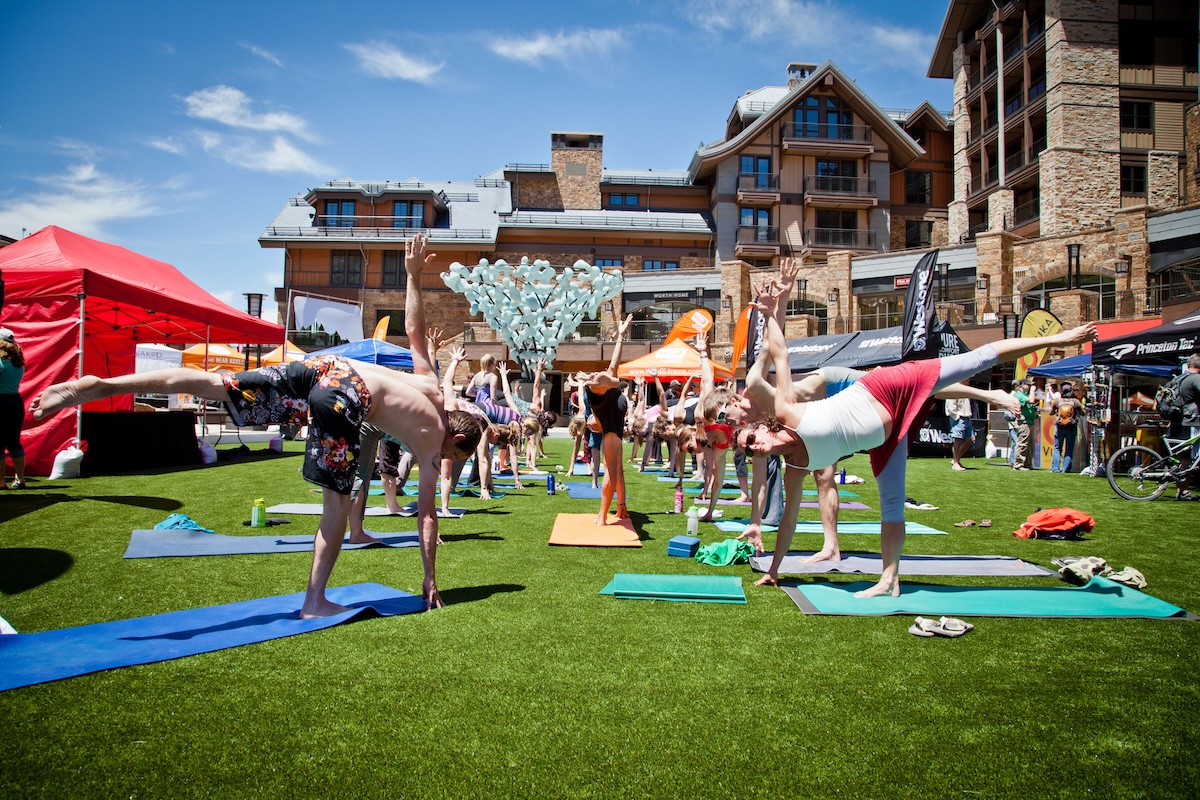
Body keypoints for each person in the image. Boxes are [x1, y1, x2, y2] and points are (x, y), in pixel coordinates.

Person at [30, 233, 481, 616]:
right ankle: (314, 600)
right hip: (349, 397)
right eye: (455, 457)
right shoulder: (428, 441)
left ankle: (97, 385)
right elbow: (426, 516)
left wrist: (411, 275)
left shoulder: (432, 387)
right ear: (456, 439)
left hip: (326, 368)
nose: (448, 463)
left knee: (214, 383)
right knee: (335, 510)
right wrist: (429, 581)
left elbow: (416, 331)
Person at [738, 278, 1096, 598]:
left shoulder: (785, 409)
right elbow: (789, 522)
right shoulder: (794, 468)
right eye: (747, 450)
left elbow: (780, 353)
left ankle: (1056, 338)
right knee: (890, 503)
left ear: (762, 427)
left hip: (885, 388)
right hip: (886, 437)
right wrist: (773, 570)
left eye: (749, 438)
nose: (752, 446)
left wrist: (771, 312)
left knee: (975, 361)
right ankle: (889, 579)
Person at [577, 314, 634, 524]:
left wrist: (621, 336)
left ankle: (603, 514)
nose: (591, 424)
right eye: (592, 426)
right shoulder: (608, 427)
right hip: (614, 403)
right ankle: (610, 380)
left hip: (607, 398)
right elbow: (617, 473)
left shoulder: (596, 410)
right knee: (615, 468)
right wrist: (621, 506)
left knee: (612, 467)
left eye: (589, 424)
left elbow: (614, 362)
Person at [0, 327, 27, 489]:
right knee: (14, 441)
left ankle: (1, 482)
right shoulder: (18, 361)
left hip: (1, 401)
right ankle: (20, 479)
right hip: (16, 402)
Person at [1172, 354, 1200, 500]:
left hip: (1178, 421)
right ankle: (1184, 491)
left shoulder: (1179, 378)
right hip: (1191, 421)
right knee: (1188, 457)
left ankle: (1180, 490)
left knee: (1182, 456)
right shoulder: (1195, 378)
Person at [1049, 383, 1083, 474]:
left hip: (1059, 426)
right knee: (1069, 448)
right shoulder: (1075, 402)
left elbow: (1051, 413)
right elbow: (1082, 413)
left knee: (1057, 448)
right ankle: (1065, 469)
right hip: (1071, 426)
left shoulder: (1057, 401)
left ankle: (1055, 469)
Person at [1011, 378, 1037, 470]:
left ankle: (1027, 464)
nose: (1030, 387)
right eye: (1028, 385)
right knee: (1022, 444)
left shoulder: (1025, 395)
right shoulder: (1019, 395)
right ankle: (1018, 464)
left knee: (1030, 445)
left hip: (1030, 422)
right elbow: (1031, 400)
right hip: (1023, 423)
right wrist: (1033, 390)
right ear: (1022, 385)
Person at [945, 395, 974, 471]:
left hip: (967, 417)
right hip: (959, 417)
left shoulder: (965, 390)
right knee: (958, 440)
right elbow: (950, 404)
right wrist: (956, 417)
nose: (968, 382)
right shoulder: (954, 389)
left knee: (970, 439)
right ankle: (955, 463)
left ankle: (956, 460)